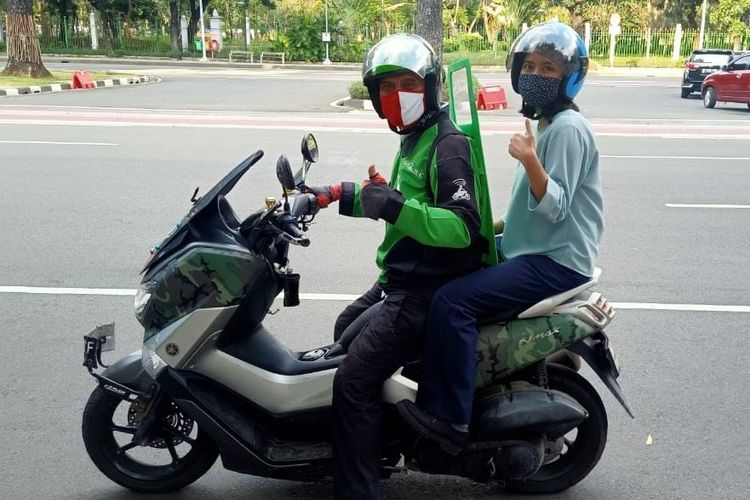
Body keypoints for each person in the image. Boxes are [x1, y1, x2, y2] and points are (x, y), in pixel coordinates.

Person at [396, 22, 604, 454]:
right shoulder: (549, 123)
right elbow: (531, 210)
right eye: (529, 66)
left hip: (555, 263)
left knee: (452, 302)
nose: (535, 75)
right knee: (453, 276)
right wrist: (490, 227)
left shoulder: (566, 129)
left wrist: (530, 160)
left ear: (570, 77)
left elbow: (556, 206)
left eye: (548, 68)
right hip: (537, 250)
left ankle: (450, 418)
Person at [305, 33, 495, 499]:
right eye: (386, 87)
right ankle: (376, 436)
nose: (396, 95)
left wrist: (393, 206)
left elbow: (462, 226)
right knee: (344, 328)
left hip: (422, 289)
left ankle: (359, 489)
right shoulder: (414, 139)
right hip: (398, 279)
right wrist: (334, 195)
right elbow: (398, 201)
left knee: (352, 382)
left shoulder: (447, 144)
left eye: (407, 84)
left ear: (429, 87)